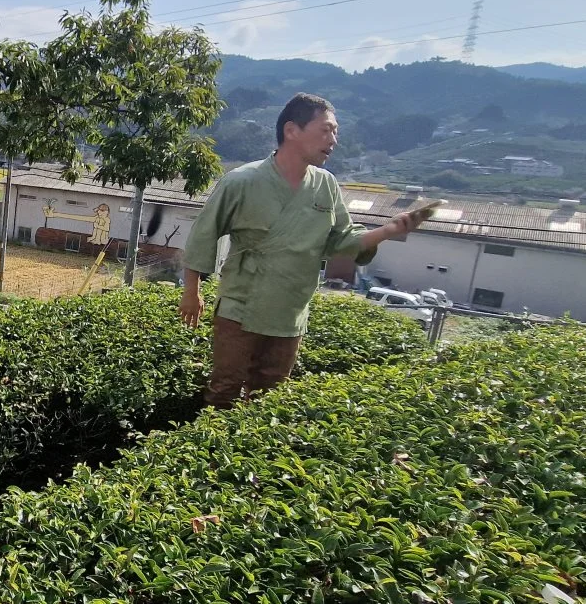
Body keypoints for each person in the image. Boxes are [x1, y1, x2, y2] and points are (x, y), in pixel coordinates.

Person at [179, 92, 427, 409]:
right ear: (292, 130)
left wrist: (390, 230)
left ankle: (250, 455)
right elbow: (204, 234)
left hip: (290, 312)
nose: (333, 139)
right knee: (224, 391)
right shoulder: (242, 181)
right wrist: (192, 291)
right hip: (241, 304)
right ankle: (209, 456)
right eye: (325, 130)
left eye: (335, 131)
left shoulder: (326, 184)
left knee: (269, 398)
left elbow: (342, 241)